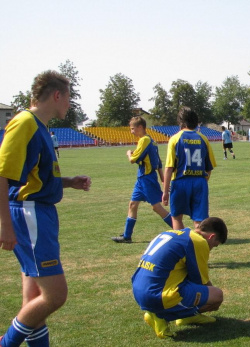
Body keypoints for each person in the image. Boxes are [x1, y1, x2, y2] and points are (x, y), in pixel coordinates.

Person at [0, 70, 91, 347]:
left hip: (38, 212)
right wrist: (4, 224)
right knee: (55, 295)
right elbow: (2, 174)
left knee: (33, 299)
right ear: (56, 95)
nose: (69, 104)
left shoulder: (39, 127)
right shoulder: (24, 123)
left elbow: (34, 175)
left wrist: (67, 182)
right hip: (29, 214)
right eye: (69, 98)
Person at [132, 217, 228, 339]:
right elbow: (201, 282)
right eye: (214, 245)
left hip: (138, 289)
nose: (211, 249)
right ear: (212, 237)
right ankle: (160, 316)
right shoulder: (199, 242)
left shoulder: (172, 233)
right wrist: (214, 300)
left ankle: (186, 317)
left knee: (186, 279)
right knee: (216, 295)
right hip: (157, 295)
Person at [112, 116, 173, 243]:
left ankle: (179, 230)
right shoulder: (150, 140)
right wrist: (163, 180)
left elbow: (133, 160)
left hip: (147, 179)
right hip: (141, 179)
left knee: (157, 207)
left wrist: (129, 153)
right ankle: (127, 236)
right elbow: (158, 163)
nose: (131, 131)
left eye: (133, 128)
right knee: (133, 204)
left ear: (140, 127)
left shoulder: (144, 140)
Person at [163, 107, 216, 230]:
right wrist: (203, 181)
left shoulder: (175, 139)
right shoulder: (203, 139)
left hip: (180, 182)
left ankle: (182, 242)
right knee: (199, 219)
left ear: (181, 122)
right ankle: (198, 244)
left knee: (176, 217)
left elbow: (169, 168)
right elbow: (209, 167)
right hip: (200, 182)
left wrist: (165, 191)